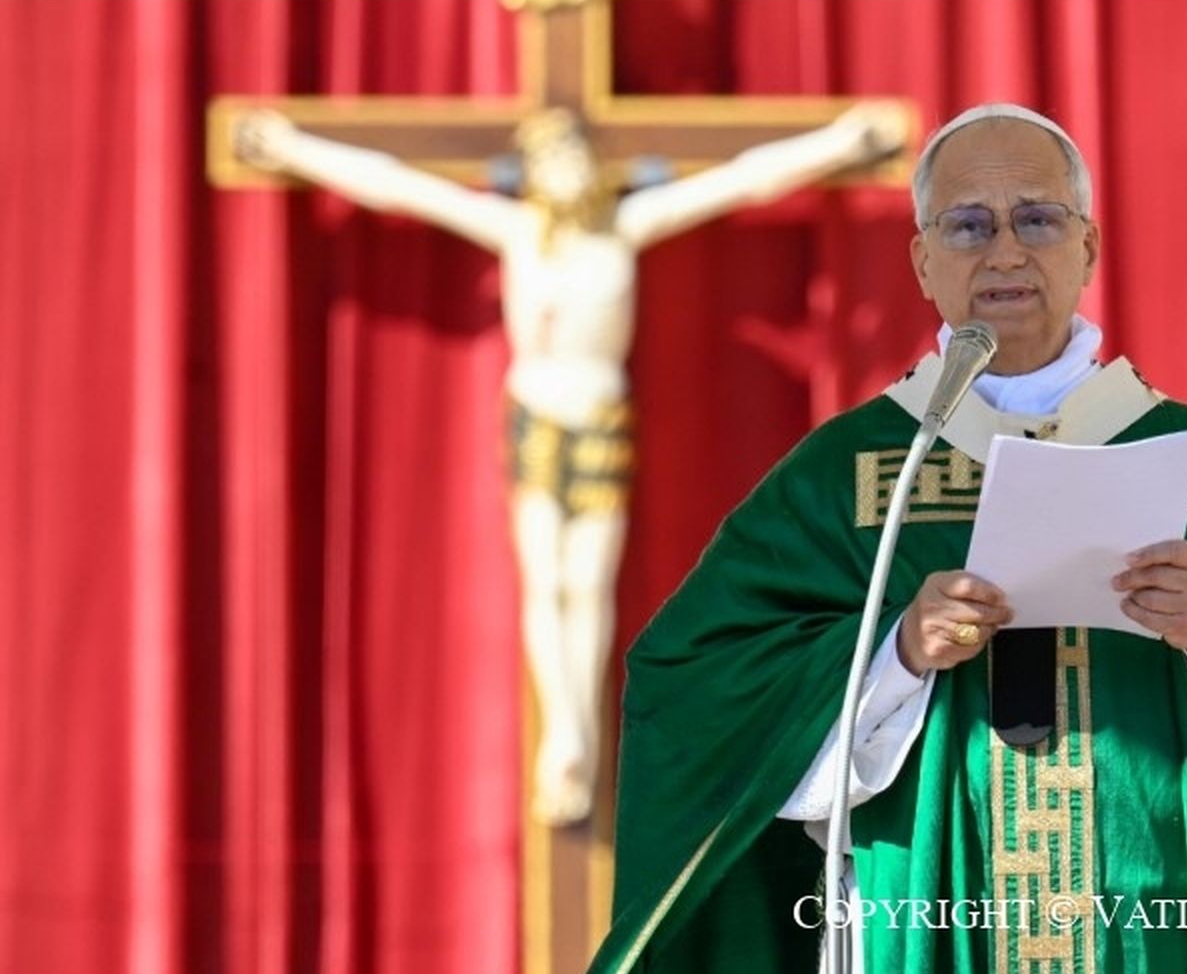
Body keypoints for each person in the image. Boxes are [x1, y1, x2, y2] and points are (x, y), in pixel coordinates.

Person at [577, 103, 1187, 974]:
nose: (1006, 251)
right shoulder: (851, 477)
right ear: (923, 260)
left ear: (1088, 249)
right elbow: (696, 688)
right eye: (969, 224)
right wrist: (899, 652)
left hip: (1166, 919)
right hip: (926, 912)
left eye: (1039, 219)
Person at [235, 102, 909, 825]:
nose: (565, 173)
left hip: (596, 418)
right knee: (543, 580)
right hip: (537, 415)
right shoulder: (517, 232)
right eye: (551, 162)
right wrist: (294, 148)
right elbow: (396, 186)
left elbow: (743, 181)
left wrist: (839, 143)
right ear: (533, 175)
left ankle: (580, 734)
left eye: (576, 159)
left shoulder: (625, 228)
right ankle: (562, 730)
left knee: (587, 581)